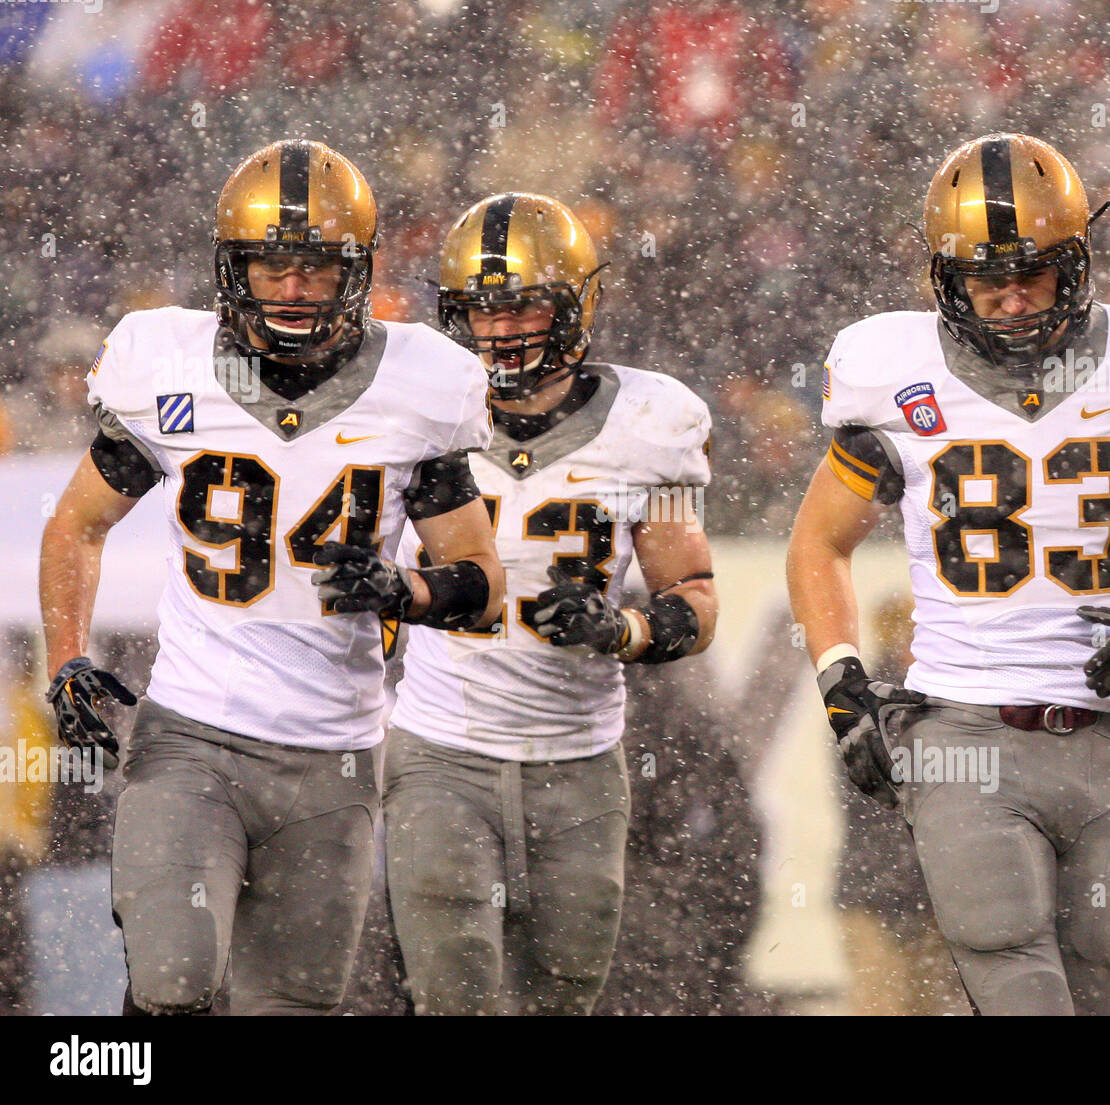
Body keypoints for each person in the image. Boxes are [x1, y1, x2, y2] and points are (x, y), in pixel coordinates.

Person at [786, 133, 1110, 1016]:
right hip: (962, 730)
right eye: (986, 277)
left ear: (1077, 262)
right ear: (946, 279)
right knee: (1011, 964)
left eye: (1034, 273)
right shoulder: (896, 378)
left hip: (1106, 735)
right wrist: (842, 685)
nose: (1011, 297)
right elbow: (819, 542)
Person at [38, 139, 504, 1015]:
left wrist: (411, 593)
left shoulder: (422, 385)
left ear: (357, 272)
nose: (291, 290)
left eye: (315, 270)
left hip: (335, 758)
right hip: (191, 738)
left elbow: (483, 579)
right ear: (230, 266)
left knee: (287, 1005)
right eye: (269, 266)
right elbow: (76, 524)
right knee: (172, 977)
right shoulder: (165, 364)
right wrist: (65, 656)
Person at [361, 191, 717, 1014]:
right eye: (480, 311)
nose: (499, 330)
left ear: (576, 302)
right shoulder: (414, 411)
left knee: (562, 997)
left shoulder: (649, 423)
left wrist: (619, 628)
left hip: (580, 763)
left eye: (522, 303)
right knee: (454, 992)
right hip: (441, 750)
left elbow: (694, 598)